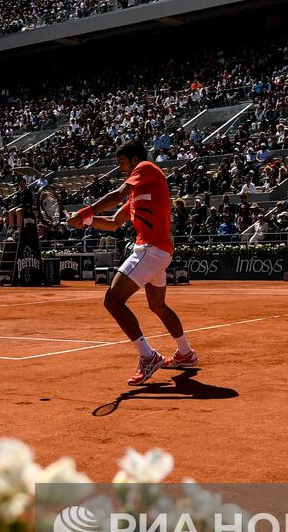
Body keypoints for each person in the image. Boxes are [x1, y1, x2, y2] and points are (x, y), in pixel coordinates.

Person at [69, 139, 195, 385]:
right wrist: (86, 221)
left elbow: (115, 195)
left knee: (113, 301)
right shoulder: (139, 192)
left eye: (123, 162)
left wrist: (85, 210)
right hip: (160, 252)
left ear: (135, 160)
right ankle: (186, 354)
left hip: (150, 250)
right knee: (158, 306)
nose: (122, 168)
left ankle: (148, 356)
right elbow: (114, 222)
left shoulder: (146, 167)